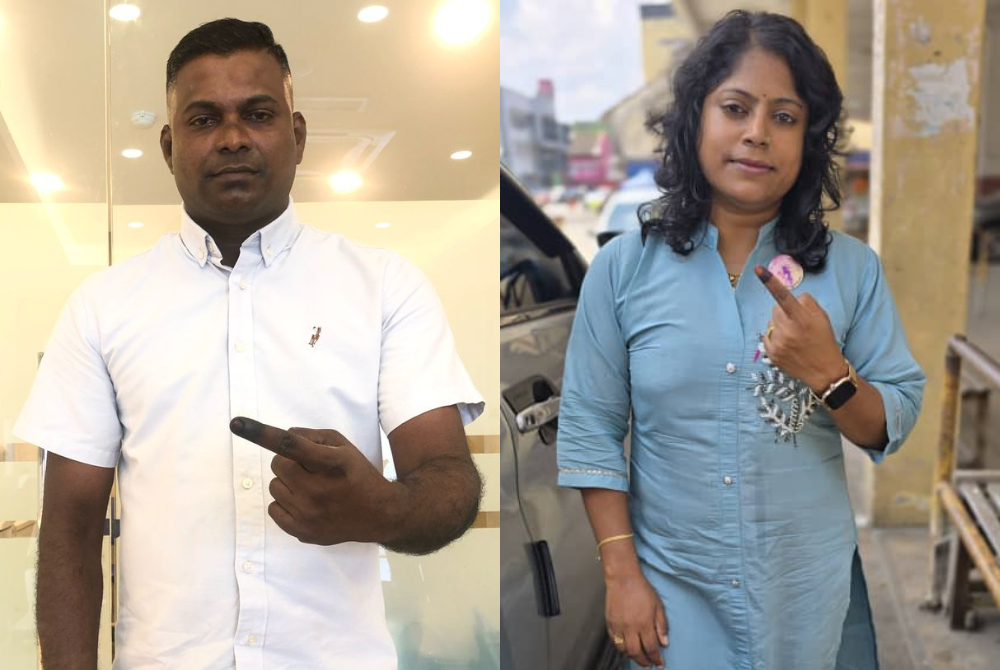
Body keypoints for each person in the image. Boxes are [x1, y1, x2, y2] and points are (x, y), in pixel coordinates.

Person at [15, 18, 484, 670]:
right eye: (204, 119)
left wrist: (383, 507)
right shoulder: (102, 308)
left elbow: (450, 481)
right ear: (169, 144)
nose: (233, 137)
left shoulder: (386, 289)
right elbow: (68, 528)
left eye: (258, 113)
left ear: (295, 134)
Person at [556, 10, 925, 670]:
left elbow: (886, 426)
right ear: (696, 119)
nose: (757, 134)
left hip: (804, 585)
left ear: (808, 138)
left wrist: (830, 373)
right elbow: (591, 426)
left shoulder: (849, 270)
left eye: (784, 116)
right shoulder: (623, 268)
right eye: (736, 107)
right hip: (674, 586)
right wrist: (621, 574)